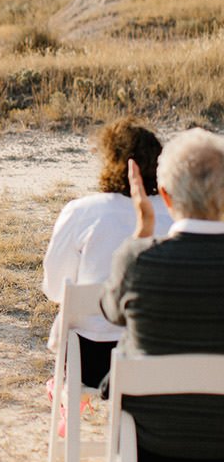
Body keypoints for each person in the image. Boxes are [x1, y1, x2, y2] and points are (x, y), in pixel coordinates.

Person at [102, 128, 224, 462]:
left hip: (149, 451)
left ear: (165, 197)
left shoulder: (138, 260)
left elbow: (110, 311)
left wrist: (143, 228)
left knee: (127, 355)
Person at [41, 120, 171, 394]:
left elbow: (54, 290)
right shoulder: (179, 216)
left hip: (91, 362)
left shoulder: (82, 212)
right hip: (159, 359)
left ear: (110, 161)